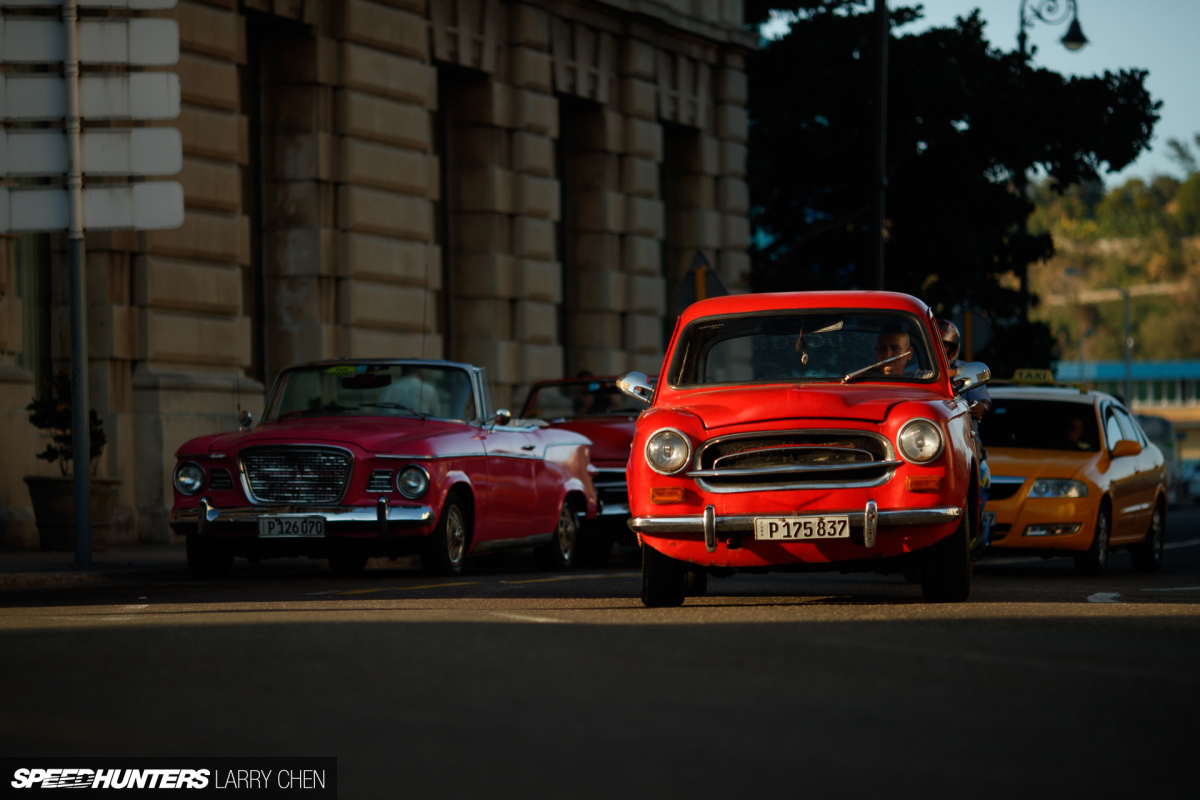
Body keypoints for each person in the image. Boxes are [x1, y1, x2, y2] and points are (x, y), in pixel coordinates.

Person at [937, 319, 990, 420]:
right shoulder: (914, 371)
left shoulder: (965, 369)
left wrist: (981, 407)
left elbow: (983, 400)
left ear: (953, 348)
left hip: (963, 431)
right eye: (935, 345)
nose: (939, 349)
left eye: (944, 345)